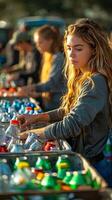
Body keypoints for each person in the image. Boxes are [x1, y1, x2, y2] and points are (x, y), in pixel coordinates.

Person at [18, 18, 112, 187]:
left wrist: (33, 134)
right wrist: (38, 118)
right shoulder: (83, 76)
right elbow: (68, 110)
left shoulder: (96, 81)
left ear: (93, 50)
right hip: (82, 162)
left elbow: (72, 123)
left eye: (78, 48)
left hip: (92, 167)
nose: (71, 54)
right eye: (68, 48)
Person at [18, 25, 66, 111]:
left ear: (50, 41)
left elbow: (52, 83)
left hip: (56, 105)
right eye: (36, 43)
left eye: (40, 42)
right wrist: (39, 93)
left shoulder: (58, 58)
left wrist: (31, 87)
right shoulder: (47, 55)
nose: (37, 46)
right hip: (49, 101)